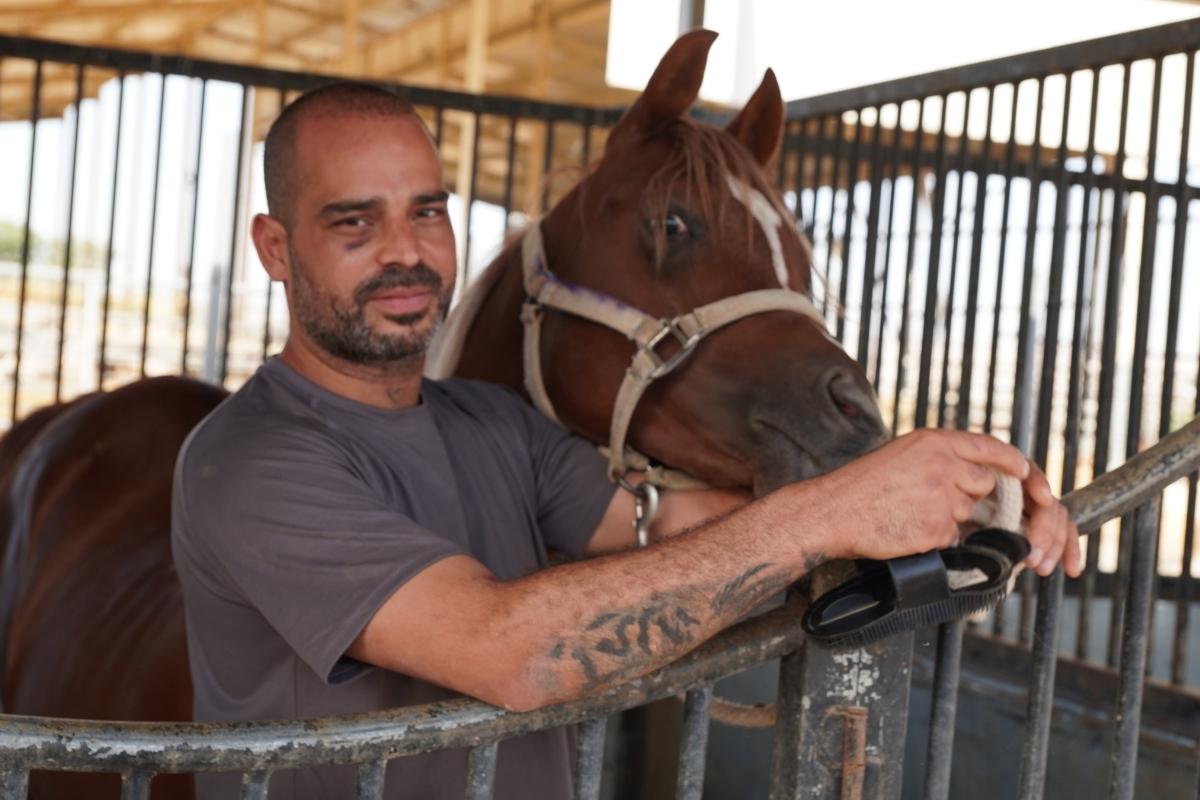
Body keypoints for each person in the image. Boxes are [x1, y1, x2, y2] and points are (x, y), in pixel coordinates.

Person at [171, 82, 1081, 800]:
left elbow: (678, 523)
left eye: (428, 211)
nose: (405, 252)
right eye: (354, 222)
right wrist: (820, 518)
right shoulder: (249, 461)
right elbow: (510, 652)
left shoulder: (491, 425)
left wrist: (960, 498)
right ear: (277, 248)